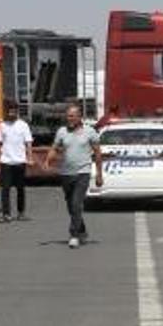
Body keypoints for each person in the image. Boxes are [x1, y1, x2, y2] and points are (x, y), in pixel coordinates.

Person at [46, 104, 102, 249]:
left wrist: (99, 175)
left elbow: (97, 153)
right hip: (66, 174)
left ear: (79, 117)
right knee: (71, 206)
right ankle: (81, 229)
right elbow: (54, 148)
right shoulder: (62, 132)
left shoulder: (90, 132)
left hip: (83, 172)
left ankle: (74, 235)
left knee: (76, 203)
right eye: (68, 116)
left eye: (72, 116)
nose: (69, 118)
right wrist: (48, 160)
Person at [0, 101, 35, 223]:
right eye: (9, 110)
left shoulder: (23, 125)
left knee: (20, 189)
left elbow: (28, 142)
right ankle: (6, 214)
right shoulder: (2, 125)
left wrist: (30, 158)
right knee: (5, 189)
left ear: (17, 111)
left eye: (13, 110)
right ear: (6, 111)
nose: (11, 112)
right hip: (6, 162)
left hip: (20, 161)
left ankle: (21, 213)